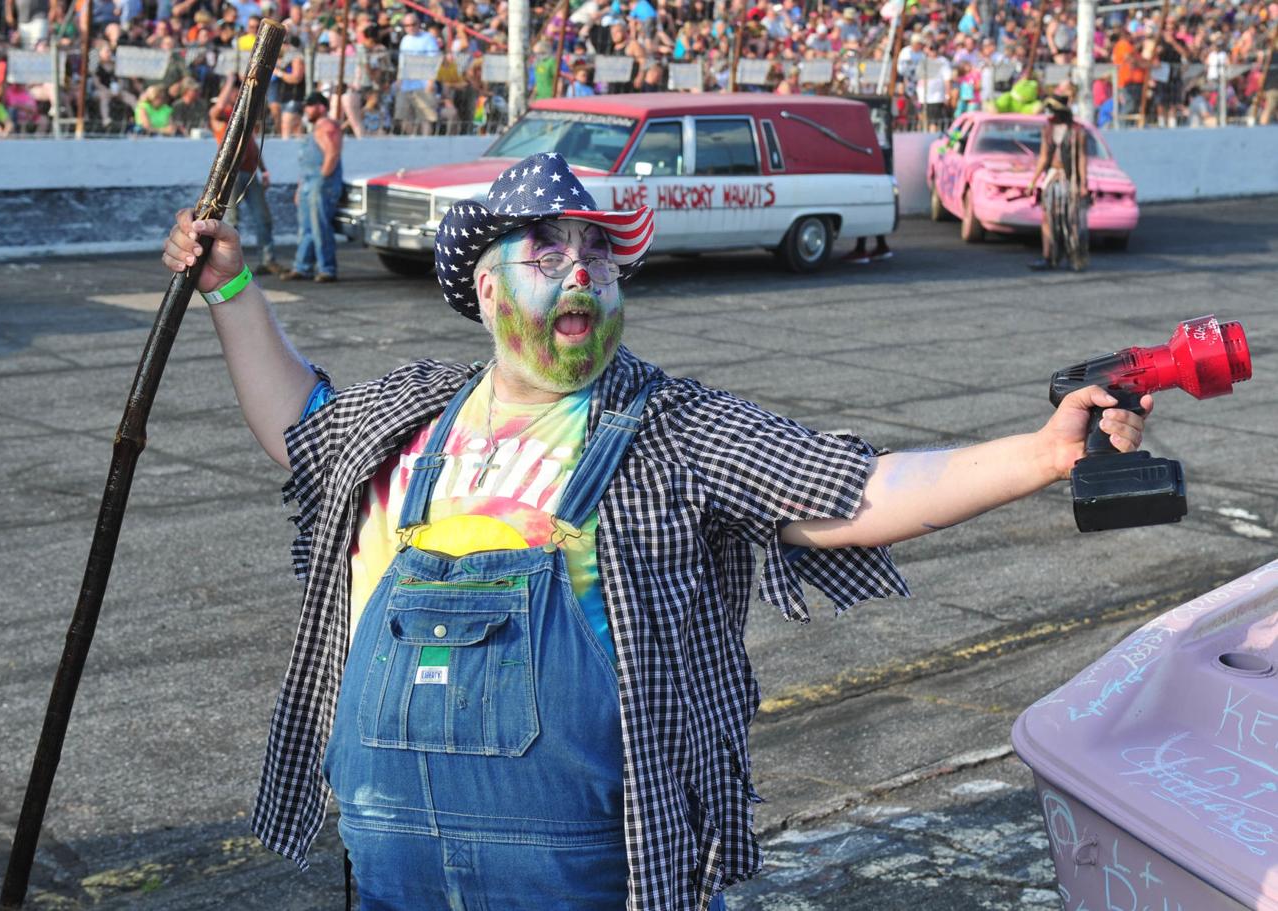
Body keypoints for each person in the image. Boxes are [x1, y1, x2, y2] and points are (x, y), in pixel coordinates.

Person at [160, 151, 1152, 910]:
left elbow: (860, 490)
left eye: (600, 252)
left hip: (592, 872)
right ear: (488, 287)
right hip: (392, 870)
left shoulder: (670, 430)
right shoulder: (405, 421)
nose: (584, 271)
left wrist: (1041, 452)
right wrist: (232, 290)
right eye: (549, 250)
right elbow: (302, 433)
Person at [210, 74, 277, 274]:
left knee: (262, 217)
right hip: (231, 172)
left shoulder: (242, 114)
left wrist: (263, 170)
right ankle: (228, 264)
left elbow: (252, 145)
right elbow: (217, 109)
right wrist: (230, 80)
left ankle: (267, 260)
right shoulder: (222, 115)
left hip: (249, 171)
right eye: (233, 90)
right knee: (231, 220)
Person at [281, 91, 342, 282]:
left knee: (320, 228)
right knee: (306, 228)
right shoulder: (315, 129)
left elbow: (332, 155)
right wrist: (301, 189)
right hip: (309, 183)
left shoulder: (328, 126)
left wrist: (321, 181)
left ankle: (327, 269)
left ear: (321, 107)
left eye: (310, 105)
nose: (306, 109)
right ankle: (303, 267)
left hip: (321, 184)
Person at [1025, 95, 1089, 272]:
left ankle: (1074, 257)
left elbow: (1082, 159)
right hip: (1052, 178)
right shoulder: (1048, 129)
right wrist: (1033, 181)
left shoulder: (1077, 131)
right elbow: (1044, 157)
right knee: (1048, 218)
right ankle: (1049, 257)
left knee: (1071, 218)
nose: (1050, 114)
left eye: (1053, 111)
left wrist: (1083, 184)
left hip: (1070, 179)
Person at [394, 12, 440, 135]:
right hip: (406, 84)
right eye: (407, 25)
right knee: (403, 117)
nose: (410, 27)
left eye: (413, 24)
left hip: (423, 84)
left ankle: (426, 144)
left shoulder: (428, 38)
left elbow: (434, 61)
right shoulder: (405, 39)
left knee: (425, 118)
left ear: (419, 24)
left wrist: (431, 81)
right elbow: (402, 62)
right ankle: (414, 139)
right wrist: (399, 78)